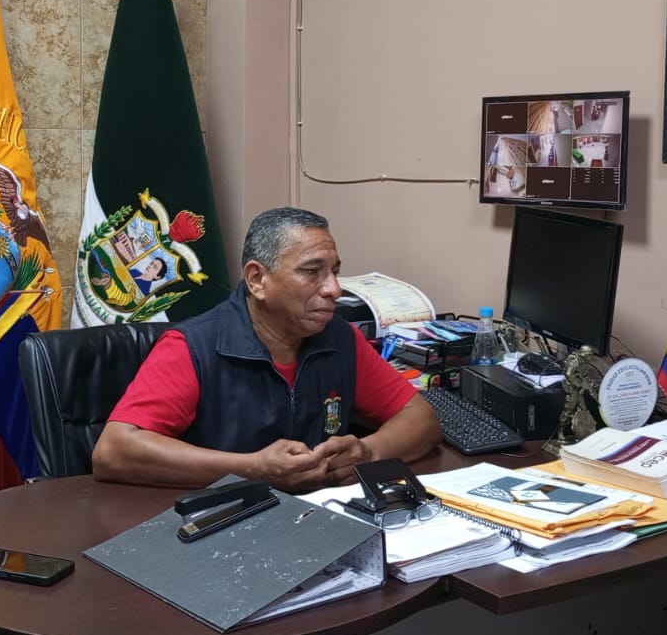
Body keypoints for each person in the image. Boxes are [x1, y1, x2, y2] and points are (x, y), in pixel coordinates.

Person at [91, 207, 442, 492]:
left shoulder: (339, 337)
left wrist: (369, 452)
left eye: (334, 272)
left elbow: (421, 419)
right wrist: (252, 469)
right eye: (312, 272)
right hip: (217, 524)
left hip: (317, 521)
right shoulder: (193, 346)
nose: (334, 289)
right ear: (257, 279)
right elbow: (114, 450)